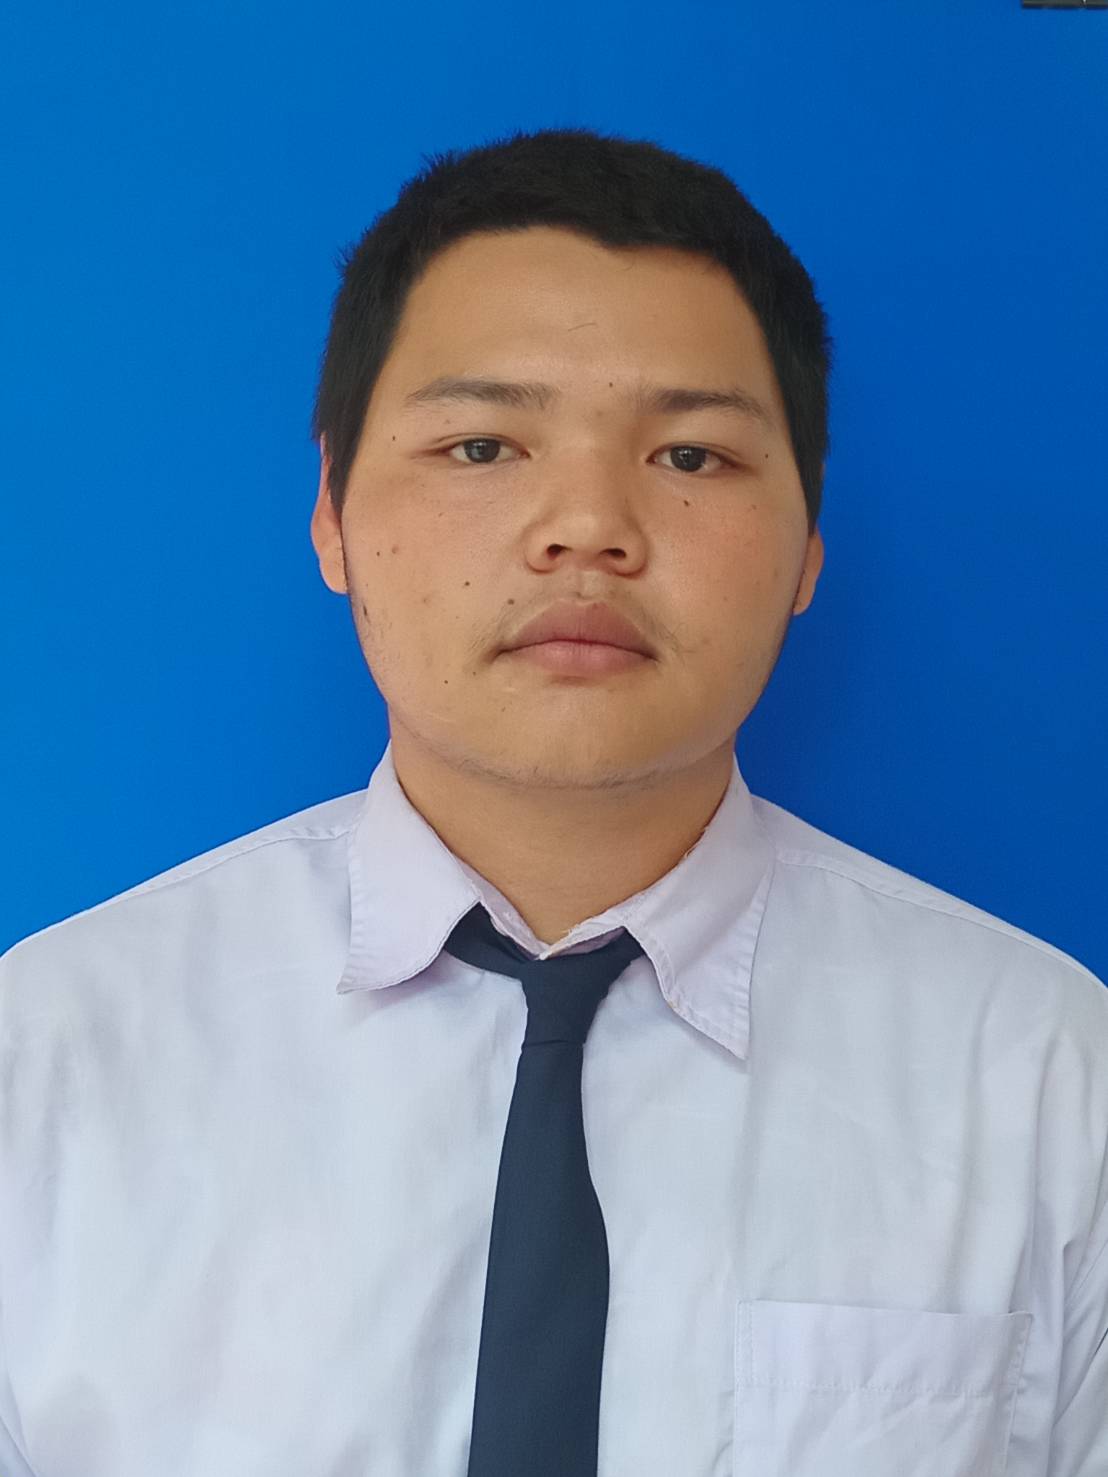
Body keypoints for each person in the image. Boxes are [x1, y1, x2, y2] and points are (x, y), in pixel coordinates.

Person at [0, 127, 1104, 1477]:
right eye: (482, 445)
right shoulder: (46, 1058)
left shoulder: (1049, 1078)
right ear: (333, 512)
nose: (587, 525)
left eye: (690, 456)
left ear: (810, 547)